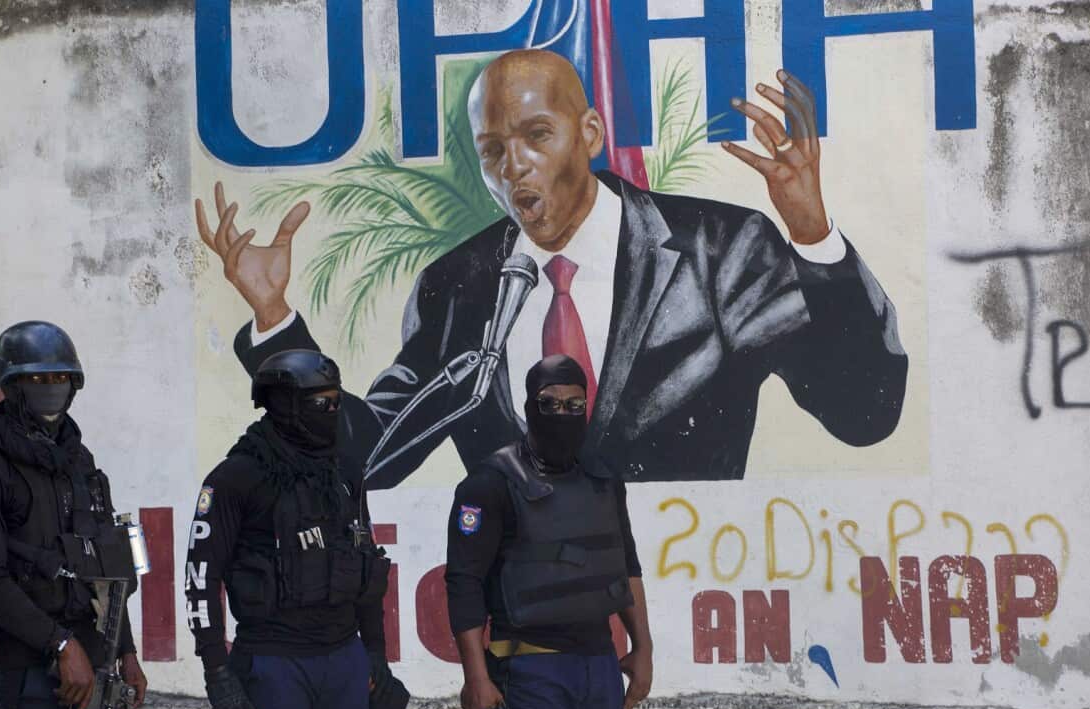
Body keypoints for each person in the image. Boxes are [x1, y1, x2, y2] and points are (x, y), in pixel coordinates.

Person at [197, 48, 907, 486]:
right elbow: (370, 456)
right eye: (492, 150)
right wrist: (274, 320)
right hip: (524, 622)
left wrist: (812, 235)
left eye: (537, 134)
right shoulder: (456, 287)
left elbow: (864, 414)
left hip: (686, 593)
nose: (514, 167)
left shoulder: (720, 250)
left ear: (589, 133)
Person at [184, 349, 406, 709]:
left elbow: (364, 563)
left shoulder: (345, 472)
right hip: (273, 663)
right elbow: (200, 579)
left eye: (337, 402)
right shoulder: (238, 477)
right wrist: (218, 674)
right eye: (322, 403)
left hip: (345, 658)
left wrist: (375, 653)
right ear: (285, 405)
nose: (333, 412)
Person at [0, 321, 147, 709]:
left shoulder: (77, 459)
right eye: (37, 379)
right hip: (30, 670)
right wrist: (61, 645)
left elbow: (106, 562)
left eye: (60, 378)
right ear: (11, 385)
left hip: (95, 664)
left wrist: (126, 650)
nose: (51, 387)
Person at [445, 355, 652, 709]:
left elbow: (627, 566)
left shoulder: (603, 480)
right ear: (530, 408)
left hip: (600, 663)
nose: (562, 413)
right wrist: (475, 676)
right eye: (549, 404)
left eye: (574, 405)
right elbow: (464, 581)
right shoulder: (490, 483)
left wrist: (643, 648)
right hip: (529, 669)